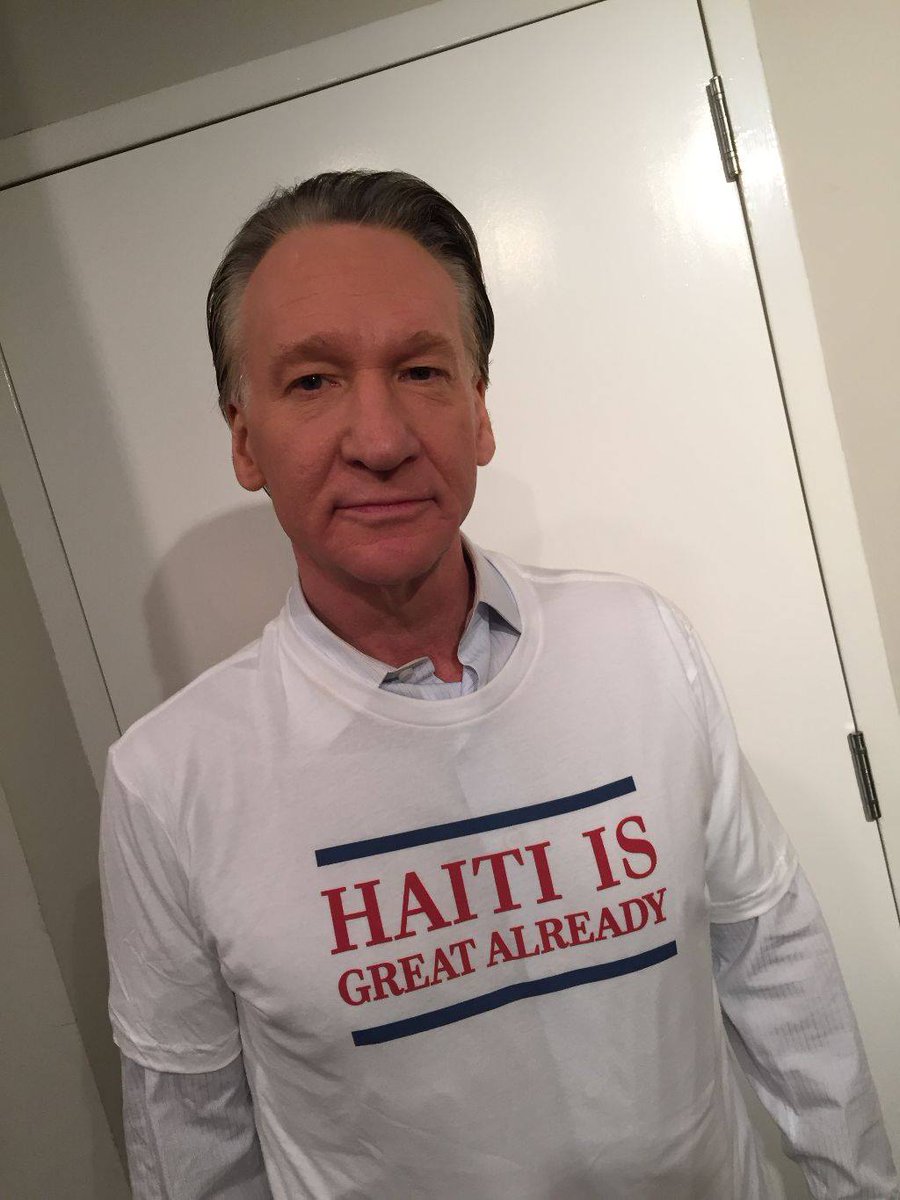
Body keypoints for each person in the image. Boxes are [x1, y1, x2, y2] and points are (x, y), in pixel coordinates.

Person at [99, 169, 897, 1200]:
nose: (381, 440)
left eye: (422, 371)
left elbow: (774, 956)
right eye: (313, 381)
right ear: (244, 437)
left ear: (478, 411)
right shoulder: (168, 781)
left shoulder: (641, 644)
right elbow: (191, 1147)